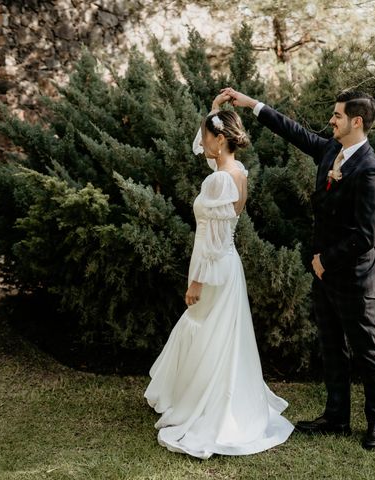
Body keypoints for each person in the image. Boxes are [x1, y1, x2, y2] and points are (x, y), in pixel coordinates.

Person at [222, 87, 375, 450]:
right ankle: (336, 416)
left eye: (337, 115)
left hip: (354, 278)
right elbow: (294, 131)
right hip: (324, 274)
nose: (331, 120)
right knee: (332, 346)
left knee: (366, 350)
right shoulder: (332, 149)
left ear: (356, 121)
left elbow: (367, 236)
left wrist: (325, 260)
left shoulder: (370, 171)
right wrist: (253, 105)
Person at [144, 93, 294, 459]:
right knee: (221, 335)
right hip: (229, 266)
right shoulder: (236, 173)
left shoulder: (217, 183)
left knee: (206, 330)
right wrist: (213, 113)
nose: (203, 142)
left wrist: (195, 281)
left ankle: (207, 405)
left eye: (208, 135)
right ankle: (221, 397)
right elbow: (206, 152)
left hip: (213, 267)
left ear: (221, 139)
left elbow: (208, 242)